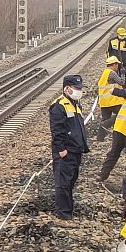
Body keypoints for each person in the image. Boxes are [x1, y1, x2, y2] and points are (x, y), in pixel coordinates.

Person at [48, 74, 89, 222]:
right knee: (63, 183)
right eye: (76, 88)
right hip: (66, 151)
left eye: (80, 88)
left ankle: (69, 209)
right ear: (67, 89)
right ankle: (63, 213)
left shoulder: (75, 105)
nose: (79, 91)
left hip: (76, 150)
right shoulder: (59, 106)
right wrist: (61, 149)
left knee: (71, 181)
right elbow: (57, 130)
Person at [96, 55, 126, 143]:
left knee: (105, 118)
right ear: (114, 64)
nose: (117, 66)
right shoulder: (112, 73)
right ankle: (114, 129)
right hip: (113, 101)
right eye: (117, 64)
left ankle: (100, 139)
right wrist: (123, 74)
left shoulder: (104, 73)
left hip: (104, 102)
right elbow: (122, 82)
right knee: (122, 114)